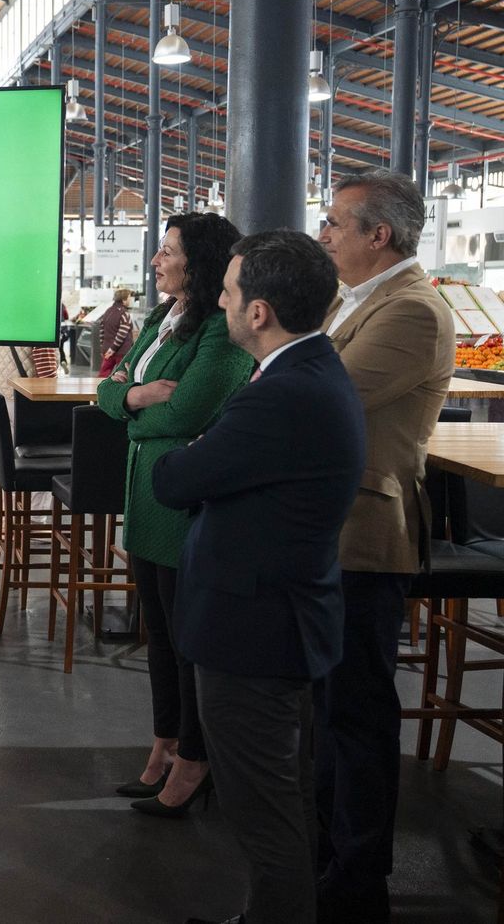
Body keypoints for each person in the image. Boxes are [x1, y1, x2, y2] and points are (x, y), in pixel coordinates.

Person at [154, 230, 365, 924]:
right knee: (284, 801)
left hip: (254, 633)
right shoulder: (306, 373)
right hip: (280, 620)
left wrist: (196, 450)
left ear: (258, 312)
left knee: (264, 814)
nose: (217, 298)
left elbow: (176, 477)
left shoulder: (281, 395)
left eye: (230, 290)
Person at [315, 169, 454, 924]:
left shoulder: (414, 313)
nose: (324, 234)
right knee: (327, 709)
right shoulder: (356, 301)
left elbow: (316, 392)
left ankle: (356, 882)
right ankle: (324, 861)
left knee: (358, 715)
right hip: (327, 527)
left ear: (381, 234)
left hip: (365, 533)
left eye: (336, 222)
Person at [96, 212, 254, 818]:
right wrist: (136, 397)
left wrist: (133, 414)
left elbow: (189, 413)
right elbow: (109, 386)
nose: (157, 262)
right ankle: (164, 743)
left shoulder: (218, 328)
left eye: (167, 252)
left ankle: (195, 757)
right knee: (157, 635)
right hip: (145, 498)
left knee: (186, 639)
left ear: (199, 262)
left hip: (184, 504)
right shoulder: (164, 318)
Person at [96, 288, 136, 377]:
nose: (131, 299)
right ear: (124, 300)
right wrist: (113, 349)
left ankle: (98, 390)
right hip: (122, 352)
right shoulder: (124, 314)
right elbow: (122, 334)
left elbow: (101, 331)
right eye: (129, 297)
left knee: (103, 374)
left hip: (107, 350)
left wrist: (104, 347)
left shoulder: (107, 311)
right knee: (123, 375)